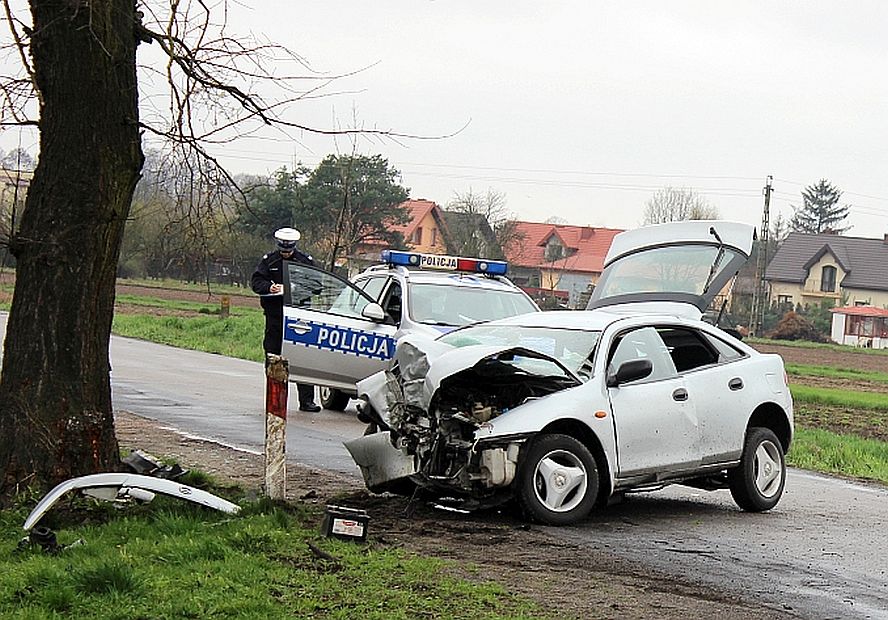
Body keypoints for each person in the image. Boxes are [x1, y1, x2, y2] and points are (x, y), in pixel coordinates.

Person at [251, 227, 321, 412]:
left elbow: (317, 285)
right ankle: (274, 399)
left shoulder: (305, 262)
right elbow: (256, 282)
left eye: (289, 250)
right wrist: (269, 288)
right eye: (283, 250)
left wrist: (297, 289)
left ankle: (307, 401)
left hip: (300, 318)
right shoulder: (269, 261)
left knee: (302, 356)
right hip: (275, 317)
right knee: (273, 355)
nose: (286, 253)